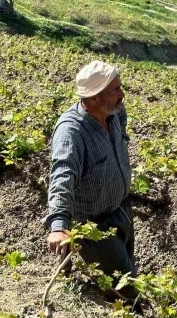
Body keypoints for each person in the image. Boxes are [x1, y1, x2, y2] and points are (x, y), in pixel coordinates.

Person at [46, 60, 137, 286]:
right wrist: (59, 225)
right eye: (115, 89)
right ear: (94, 97)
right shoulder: (72, 132)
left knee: (127, 268)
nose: (122, 94)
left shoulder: (114, 111)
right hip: (94, 228)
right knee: (126, 285)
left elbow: (122, 126)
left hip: (122, 210)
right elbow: (62, 176)